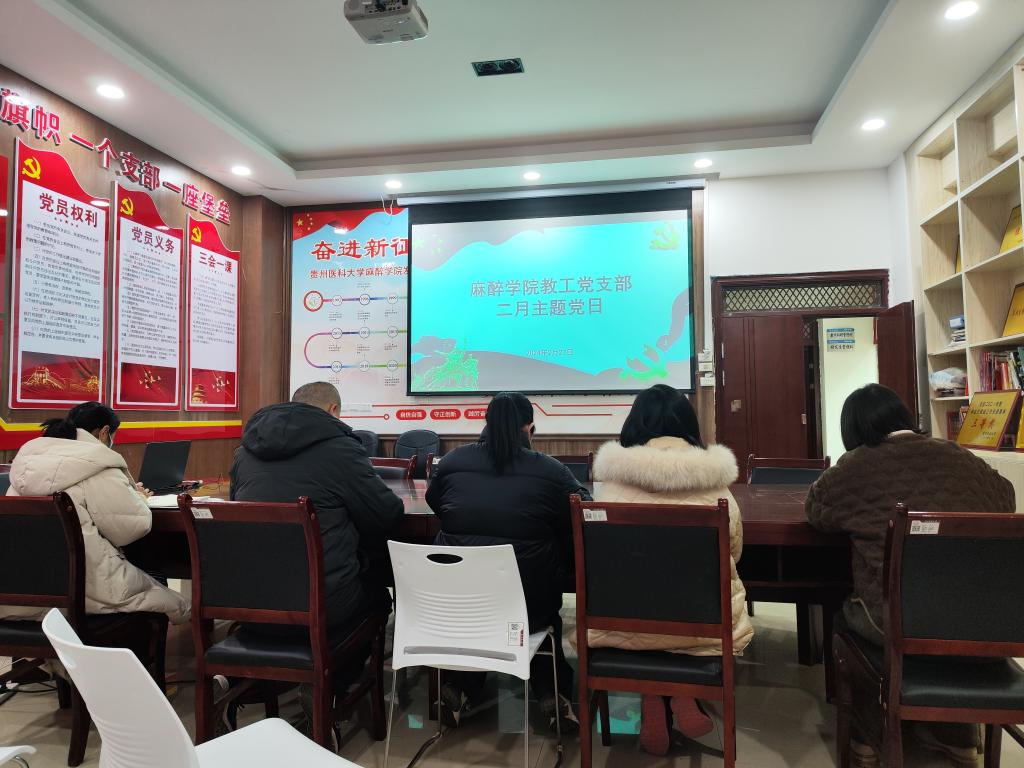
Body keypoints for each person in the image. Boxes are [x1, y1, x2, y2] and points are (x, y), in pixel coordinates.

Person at [806, 383, 1015, 767]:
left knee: (846, 620)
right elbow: (1007, 498)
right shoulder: (960, 456)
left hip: (898, 621)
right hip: (983, 621)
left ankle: (867, 734)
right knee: (947, 613)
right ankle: (957, 733)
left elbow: (816, 511)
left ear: (853, 429)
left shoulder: (855, 466)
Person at [588, 383, 752, 755]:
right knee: (678, 602)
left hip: (623, 625)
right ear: (687, 424)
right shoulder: (717, 487)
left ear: (635, 424)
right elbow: (734, 551)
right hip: (702, 628)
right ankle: (679, 694)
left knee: (643, 600)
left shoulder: (610, 488)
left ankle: (653, 697)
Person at [425, 391, 591, 731]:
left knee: (484, 604)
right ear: (529, 428)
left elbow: (436, 503)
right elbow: (582, 510)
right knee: (541, 613)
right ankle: (551, 692)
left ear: (486, 424)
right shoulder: (550, 470)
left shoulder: (453, 461)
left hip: (458, 599)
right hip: (528, 602)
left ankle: (459, 685)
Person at [231, 381, 404, 640]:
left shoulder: (244, 453)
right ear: (333, 409)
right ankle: (347, 663)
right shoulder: (341, 448)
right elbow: (386, 514)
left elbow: (237, 508)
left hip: (248, 604)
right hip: (324, 606)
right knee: (377, 589)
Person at [1, 401, 189, 624]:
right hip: (85, 588)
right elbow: (132, 529)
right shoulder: (98, 465)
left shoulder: (26, 466)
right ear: (104, 432)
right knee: (176, 601)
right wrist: (139, 497)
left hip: (20, 589)